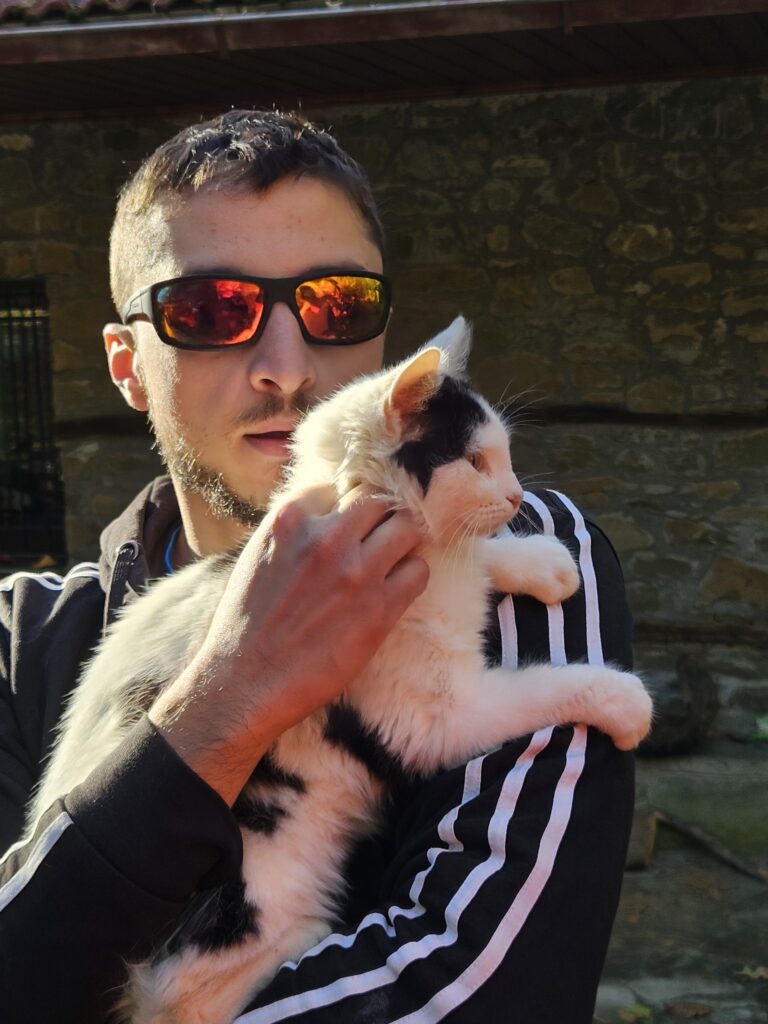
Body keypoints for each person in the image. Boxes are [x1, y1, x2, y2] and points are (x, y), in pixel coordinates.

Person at [0, 110, 636, 1023]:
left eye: (338, 304)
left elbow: (479, 997)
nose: (287, 368)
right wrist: (225, 701)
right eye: (210, 310)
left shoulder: (510, 557)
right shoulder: (22, 643)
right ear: (128, 365)